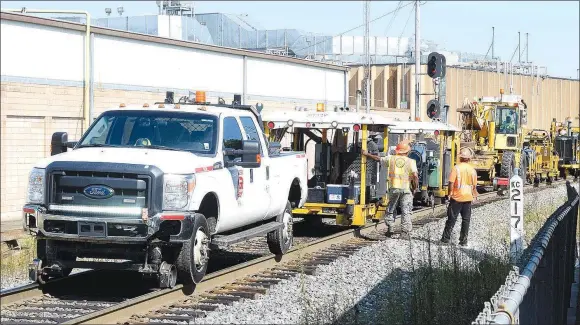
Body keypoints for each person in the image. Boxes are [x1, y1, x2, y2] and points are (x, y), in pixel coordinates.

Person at [362, 141, 419, 239]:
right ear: (407, 152)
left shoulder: (391, 159)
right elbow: (415, 176)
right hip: (406, 189)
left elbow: (378, 159)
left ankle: (390, 228)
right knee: (406, 210)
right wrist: (415, 188)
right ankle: (404, 233)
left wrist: (367, 154)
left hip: (394, 188)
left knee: (391, 208)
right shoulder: (411, 161)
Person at [440, 147, 478, 246]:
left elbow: (451, 183)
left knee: (451, 219)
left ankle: (445, 239)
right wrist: (474, 195)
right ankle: (463, 241)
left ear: (460, 158)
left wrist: (450, 194)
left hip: (457, 197)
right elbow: (474, 186)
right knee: (466, 220)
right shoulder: (473, 170)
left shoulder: (456, 168)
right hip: (468, 198)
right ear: (469, 158)